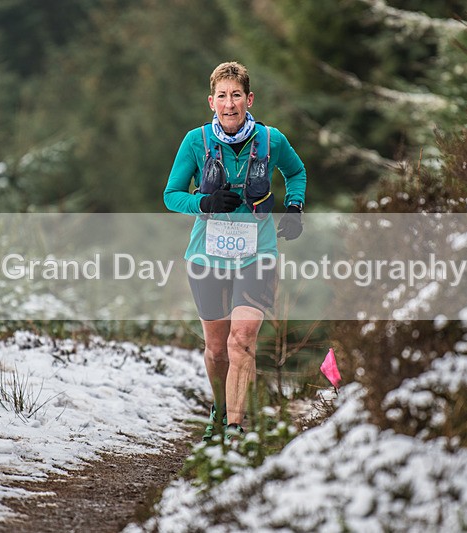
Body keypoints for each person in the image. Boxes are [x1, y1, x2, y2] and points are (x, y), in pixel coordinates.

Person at [164, 61, 307, 443]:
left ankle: (235, 429)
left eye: (237, 95)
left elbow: (297, 172)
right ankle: (220, 406)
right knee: (216, 348)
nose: (230, 104)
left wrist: (294, 207)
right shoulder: (195, 141)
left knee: (241, 339)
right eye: (222, 96)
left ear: (249, 99)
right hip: (207, 255)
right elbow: (171, 196)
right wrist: (204, 203)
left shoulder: (271, 140)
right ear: (212, 102)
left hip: (257, 252)